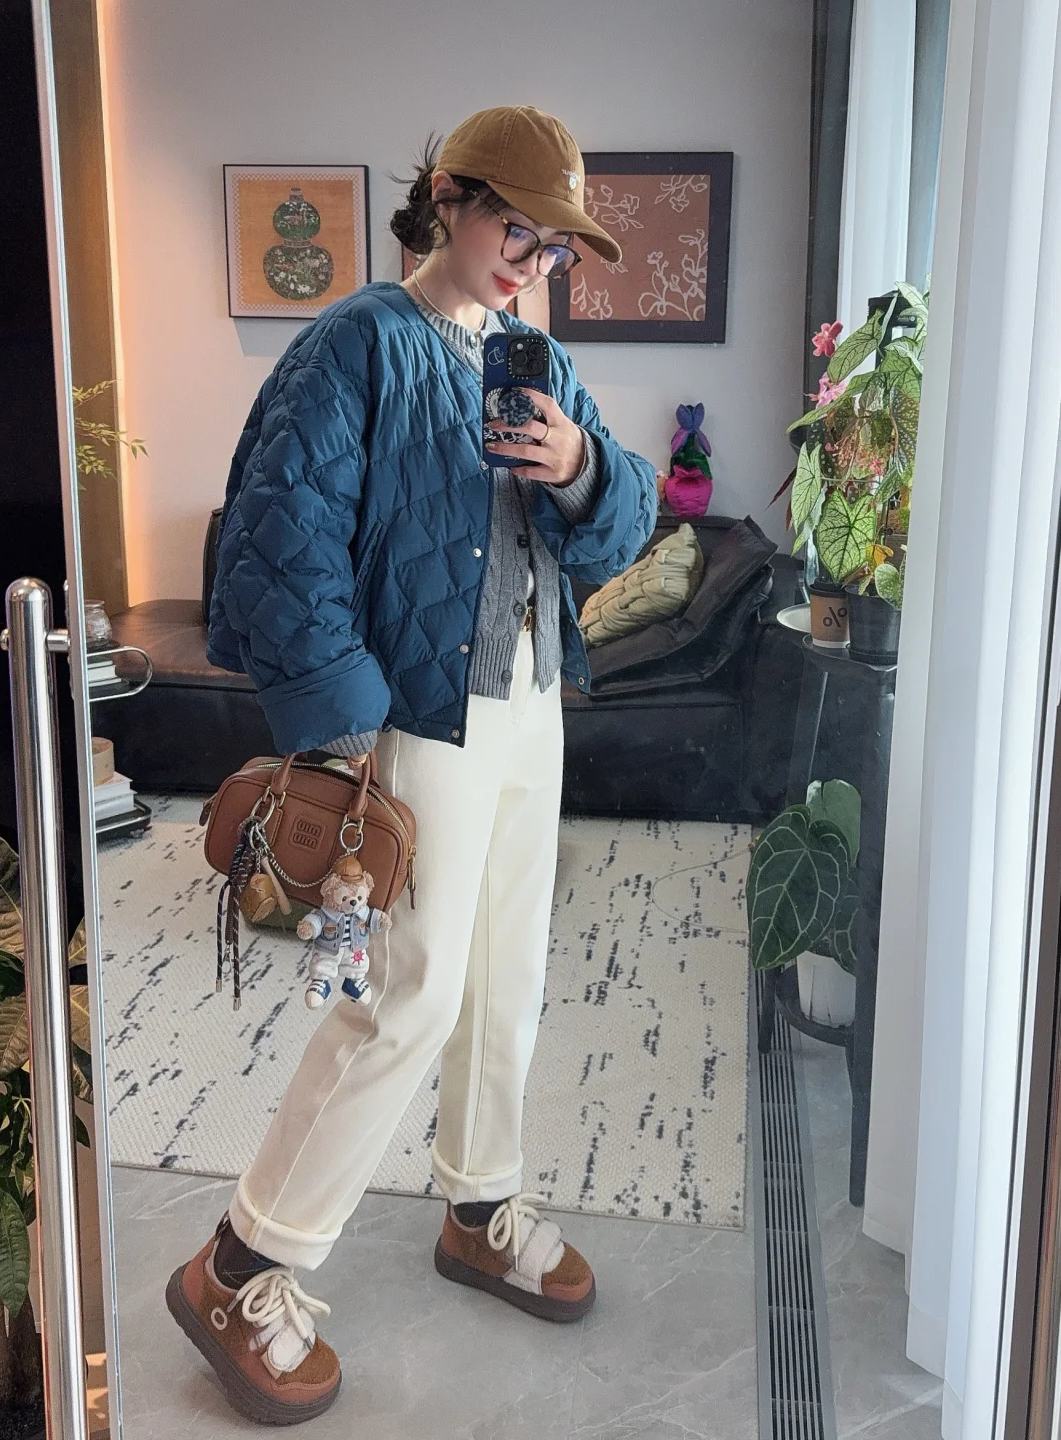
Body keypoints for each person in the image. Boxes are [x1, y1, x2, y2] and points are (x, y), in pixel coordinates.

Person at [164, 105, 658, 1425]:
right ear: (449, 198)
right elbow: (279, 543)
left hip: (532, 707)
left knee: (509, 978)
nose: (533, 263)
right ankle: (239, 1266)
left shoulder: (536, 357)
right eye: (518, 231)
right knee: (405, 996)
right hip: (419, 721)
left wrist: (581, 467)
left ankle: (479, 1206)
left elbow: (620, 534)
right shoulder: (357, 343)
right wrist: (349, 731)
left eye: (555, 247)